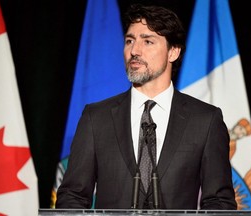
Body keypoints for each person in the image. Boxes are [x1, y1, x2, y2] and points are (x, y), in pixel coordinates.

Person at [56, 4, 237, 210]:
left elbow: (219, 203)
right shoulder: (96, 118)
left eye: (148, 41)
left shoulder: (205, 120)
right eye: (129, 41)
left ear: (173, 52)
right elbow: (72, 197)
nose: (134, 51)